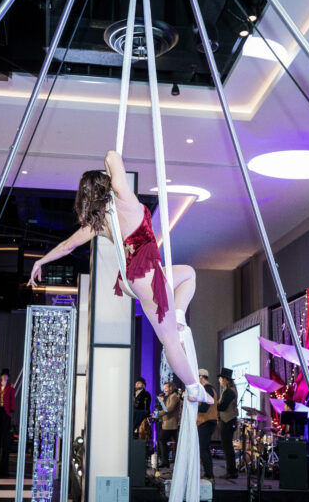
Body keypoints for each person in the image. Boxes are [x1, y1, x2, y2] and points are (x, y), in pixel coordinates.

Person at [28, 151, 212, 407]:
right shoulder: (123, 196)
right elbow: (113, 156)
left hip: (136, 277)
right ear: (106, 185)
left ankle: (178, 318)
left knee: (188, 274)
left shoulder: (99, 222)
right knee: (169, 341)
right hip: (146, 274)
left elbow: (67, 246)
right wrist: (108, 167)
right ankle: (193, 387)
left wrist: (40, 261)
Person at [217, 368, 239, 479]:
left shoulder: (229, 391)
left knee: (228, 448)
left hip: (228, 421)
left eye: (220, 378)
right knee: (227, 447)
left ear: (225, 379)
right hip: (228, 421)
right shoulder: (228, 390)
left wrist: (212, 404)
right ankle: (231, 471)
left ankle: (232, 472)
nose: (219, 380)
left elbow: (222, 406)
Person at [196, 369, 218, 480]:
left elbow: (204, 408)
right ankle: (208, 473)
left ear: (201, 377)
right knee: (204, 448)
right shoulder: (208, 389)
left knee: (203, 448)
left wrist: (193, 405)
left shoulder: (207, 390)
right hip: (207, 421)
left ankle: (209, 474)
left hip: (206, 421)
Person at [156, 382, 180, 469]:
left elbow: (169, 409)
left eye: (166, 388)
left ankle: (166, 462)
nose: (164, 389)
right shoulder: (169, 396)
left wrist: (157, 414)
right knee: (162, 440)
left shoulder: (174, 396)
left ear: (171, 388)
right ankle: (165, 462)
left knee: (162, 440)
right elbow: (165, 408)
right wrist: (161, 401)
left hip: (171, 424)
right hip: (167, 423)